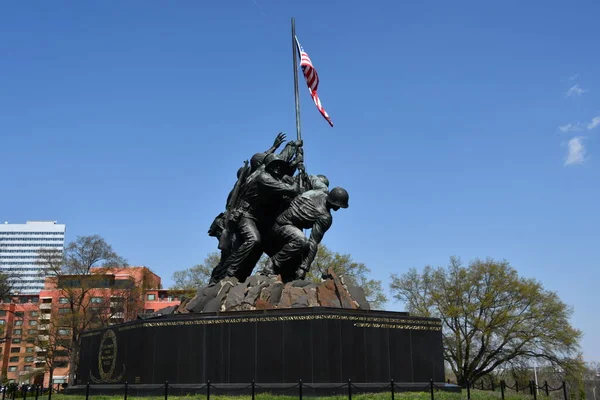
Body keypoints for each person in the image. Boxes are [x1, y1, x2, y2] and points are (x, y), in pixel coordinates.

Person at [211, 153, 301, 283]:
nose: (278, 169)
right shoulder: (264, 177)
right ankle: (231, 272)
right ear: (268, 167)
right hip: (246, 215)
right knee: (254, 240)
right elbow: (292, 190)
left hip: (259, 220)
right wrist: (296, 183)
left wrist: (296, 165)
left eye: (280, 167)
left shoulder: (273, 178)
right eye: (275, 166)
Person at [266, 186, 349, 280]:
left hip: (280, 223)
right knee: (301, 241)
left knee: (299, 253)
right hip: (282, 225)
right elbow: (313, 242)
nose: (339, 208)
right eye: (339, 205)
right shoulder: (325, 217)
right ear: (333, 202)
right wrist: (305, 267)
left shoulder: (318, 192)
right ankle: (272, 263)